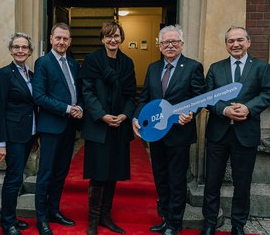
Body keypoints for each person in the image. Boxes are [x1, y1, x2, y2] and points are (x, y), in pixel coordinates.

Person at [200, 26, 270, 235]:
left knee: (242, 184)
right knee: (212, 182)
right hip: (218, 134)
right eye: (230, 41)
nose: (235, 44)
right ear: (226, 45)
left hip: (246, 134)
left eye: (239, 40)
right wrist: (224, 110)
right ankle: (209, 223)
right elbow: (208, 97)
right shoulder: (216, 68)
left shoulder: (261, 67)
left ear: (248, 42)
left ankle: (238, 225)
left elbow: (268, 94)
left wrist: (248, 108)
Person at [133, 25, 205, 235]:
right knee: (161, 177)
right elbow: (145, 97)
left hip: (179, 134)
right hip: (156, 134)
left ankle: (175, 223)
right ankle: (164, 218)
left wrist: (191, 112)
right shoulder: (153, 68)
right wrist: (136, 117)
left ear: (182, 45)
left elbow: (198, 98)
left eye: (174, 42)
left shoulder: (193, 67)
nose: (170, 45)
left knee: (176, 179)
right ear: (160, 45)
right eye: (166, 42)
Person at [79, 21, 137, 235]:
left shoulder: (127, 63)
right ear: (102, 39)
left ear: (121, 38)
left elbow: (132, 94)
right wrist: (102, 115)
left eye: (117, 36)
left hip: (119, 126)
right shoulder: (92, 61)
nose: (113, 40)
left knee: (112, 173)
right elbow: (87, 93)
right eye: (108, 36)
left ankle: (106, 216)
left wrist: (124, 115)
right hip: (99, 126)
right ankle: (93, 220)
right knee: (98, 174)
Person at [32, 22, 83, 235]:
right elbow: (39, 96)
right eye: (58, 38)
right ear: (51, 38)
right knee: (46, 173)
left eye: (66, 39)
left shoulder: (73, 64)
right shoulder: (43, 62)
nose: (62, 42)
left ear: (70, 41)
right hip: (52, 127)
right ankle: (41, 217)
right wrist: (67, 108)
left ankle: (54, 210)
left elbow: (77, 91)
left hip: (69, 128)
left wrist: (79, 106)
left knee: (61, 173)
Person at [0, 33, 38, 235]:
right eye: (17, 47)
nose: (21, 50)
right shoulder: (4, 74)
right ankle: (7, 223)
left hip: (28, 135)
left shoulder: (33, 75)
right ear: (11, 50)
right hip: (12, 136)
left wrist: (35, 137)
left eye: (24, 47)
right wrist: (0, 142)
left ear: (30, 51)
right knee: (13, 178)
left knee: (18, 178)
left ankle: (11, 217)